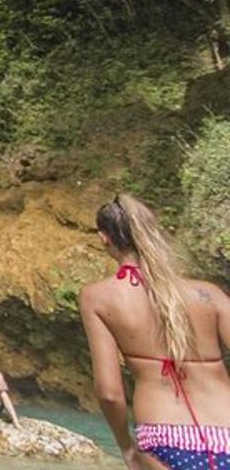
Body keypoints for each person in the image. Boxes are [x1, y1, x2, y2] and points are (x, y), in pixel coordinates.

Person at [79, 193, 230, 470]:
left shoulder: (98, 298)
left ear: (105, 238)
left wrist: (126, 447)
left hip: (165, 439)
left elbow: (110, 392)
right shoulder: (209, 294)